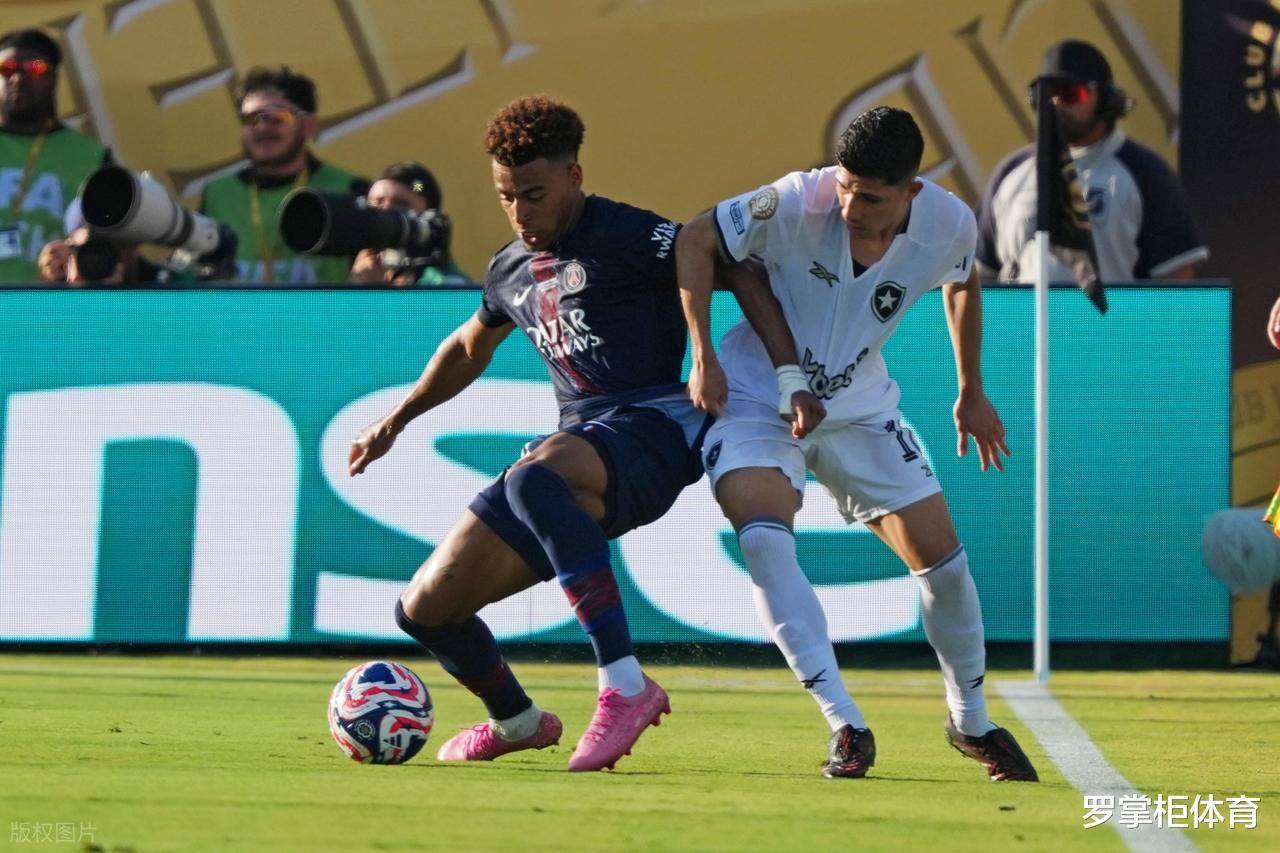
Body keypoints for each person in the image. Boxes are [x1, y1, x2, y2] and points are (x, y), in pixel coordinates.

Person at [676, 106, 1039, 782]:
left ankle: (971, 720)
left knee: (945, 568)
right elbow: (696, 239)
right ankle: (845, 722)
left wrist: (971, 387)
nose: (849, 207)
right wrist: (704, 354)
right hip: (755, 397)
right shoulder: (793, 199)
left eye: (870, 198)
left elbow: (962, 280)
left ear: (911, 191)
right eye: (845, 187)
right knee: (763, 541)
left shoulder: (949, 222)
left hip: (859, 405)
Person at [348, 95, 708, 772]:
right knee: (425, 609)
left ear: (574, 176)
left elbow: (711, 255)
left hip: (653, 430)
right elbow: (468, 348)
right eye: (506, 196)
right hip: (578, 451)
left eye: (534, 195)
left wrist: (719, 358)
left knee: (537, 474)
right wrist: (394, 421)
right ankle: (516, 720)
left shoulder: (630, 234)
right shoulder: (509, 267)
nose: (520, 212)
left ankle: (625, 684)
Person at [976, 39, 1207, 283]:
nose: (1057, 104)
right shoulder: (1010, 174)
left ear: (1107, 99)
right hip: (1023, 310)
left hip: (1109, 310)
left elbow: (1177, 285)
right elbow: (978, 275)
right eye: (1047, 94)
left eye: (1070, 94)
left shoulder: (1146, 173)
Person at [199, 66, 366, 284]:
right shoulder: (217, 194)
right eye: (251, 119)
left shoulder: (349, 190)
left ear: (308, 125)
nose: (262, 127)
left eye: (277, 117)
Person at [0, 28, 110, 283]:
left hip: (53, 304)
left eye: (34, 68)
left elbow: (111, 247)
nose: (17, 77)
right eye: (6, 68)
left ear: (53, 78)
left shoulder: (91, 156)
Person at [348, 161, 471, 286]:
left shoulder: (449, 285)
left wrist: (371, 292)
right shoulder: (352, 262)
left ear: (429, 217)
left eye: (400, 204)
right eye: (377, 202)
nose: (385, 212)